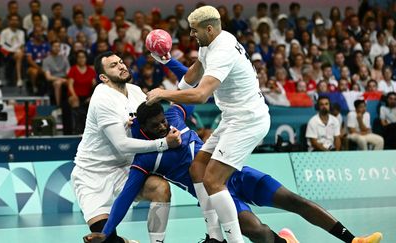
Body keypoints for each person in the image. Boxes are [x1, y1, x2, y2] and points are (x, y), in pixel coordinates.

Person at [84, 99, 382, 243]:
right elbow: (124, 197)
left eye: (164, 121)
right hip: (216, 194)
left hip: (237, 172)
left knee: (294, 200)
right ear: (145, 130)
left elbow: (191, 90)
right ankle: (284, 242)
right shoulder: (146, 158)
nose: (165, 126)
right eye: (156, 127)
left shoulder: (174, 112)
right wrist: (107, 232)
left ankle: (353, 239)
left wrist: (165, 72)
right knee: (256, 232)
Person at [146, 6, 270, 243]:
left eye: (194, 31)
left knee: (213, 180)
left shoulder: (223, 50)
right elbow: (194, 72)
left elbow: (201, 95)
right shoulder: (209, 43)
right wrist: (167, 64)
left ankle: (235, 241)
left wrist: (163, 94)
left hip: (248, 120)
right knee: (197, 168)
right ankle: (215, 237)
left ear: (209, 29)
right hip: (233, 117)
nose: (191, 35)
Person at [70, 51, 182, 243]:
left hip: (126, 169)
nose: (121, 66)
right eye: (113, 65)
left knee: (161, 188)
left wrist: (172, 131)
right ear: (103, 77)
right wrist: (164, 144)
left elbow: (154, 123)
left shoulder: (136, 91)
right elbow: (122, 144)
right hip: (93, 173)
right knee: (105, 240)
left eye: (121, 62)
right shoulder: (102, 99)